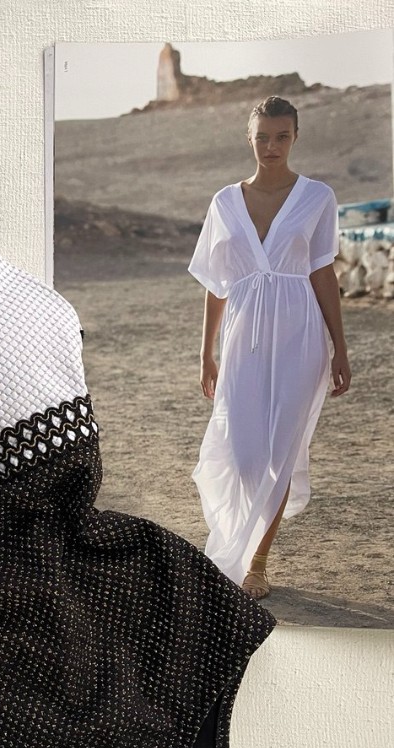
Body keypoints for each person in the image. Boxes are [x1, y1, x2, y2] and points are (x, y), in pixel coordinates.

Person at [187, 95, 351, 599]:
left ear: (295, 137)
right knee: (242, 455)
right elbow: (216, 283)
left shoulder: (317, 197)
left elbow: (323, 273)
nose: (272, 146)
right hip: (242, 339)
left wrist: (340, 347)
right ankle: (234, 542)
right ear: (249, 139)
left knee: (280, 452)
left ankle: (257, 561)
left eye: (281, 136)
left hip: (301, 335)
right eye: (262, 137)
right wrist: (207, 352)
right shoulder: (224, 202)